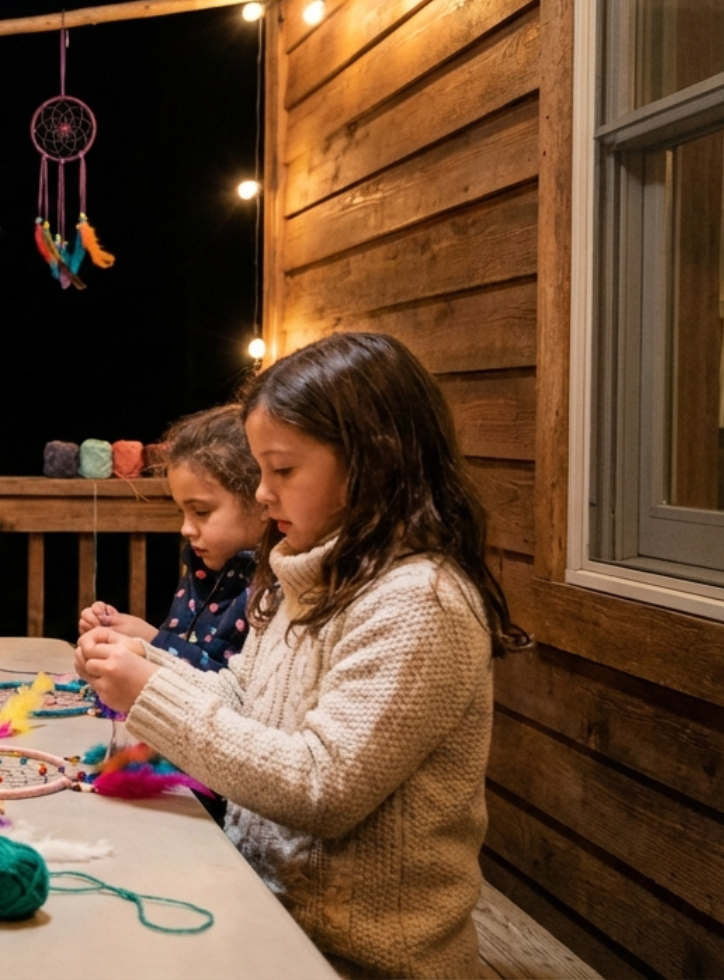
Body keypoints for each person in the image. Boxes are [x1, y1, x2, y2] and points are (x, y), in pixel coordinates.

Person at [75, 332, 530, 978]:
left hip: (357, 959)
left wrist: (148, 692)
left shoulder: (419, 603)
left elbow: (321, 786)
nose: (262, 494)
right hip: (266, 913)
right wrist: (146, 664)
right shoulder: (304, 572)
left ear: (373, 460)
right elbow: (243, 698)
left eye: (282, 470)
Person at [78, 405, 267, 671]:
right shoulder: (203, 565)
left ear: (262, 503)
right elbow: (183, 651)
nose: (185, 529)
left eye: (201, 512)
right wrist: (131, 633)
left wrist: (150, 641)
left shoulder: (271, 590)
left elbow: (229, 685)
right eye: (183, 513)